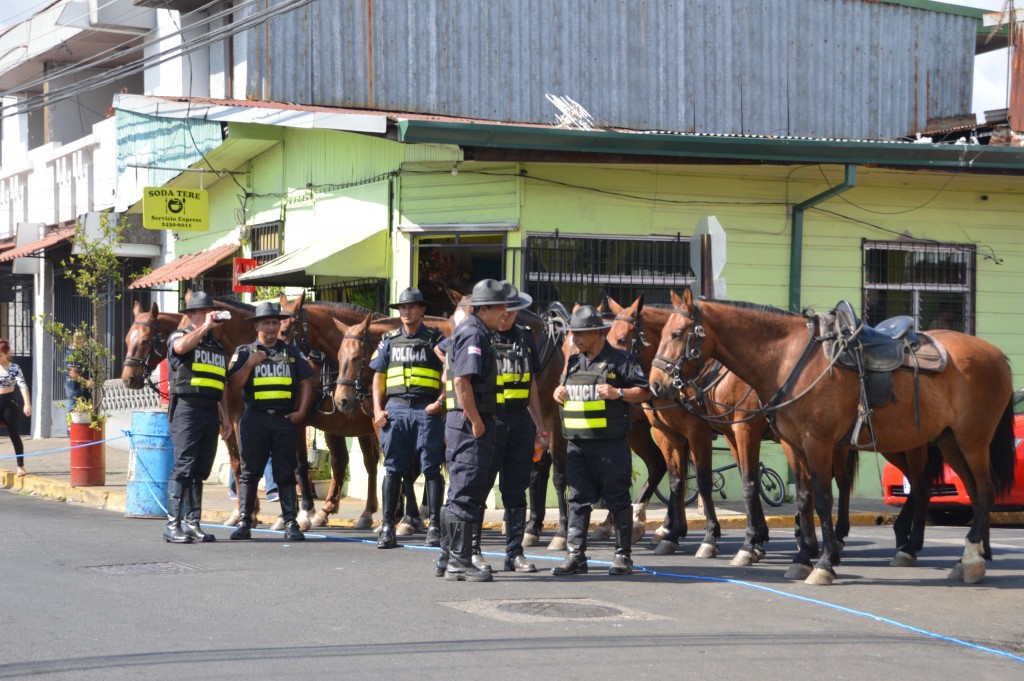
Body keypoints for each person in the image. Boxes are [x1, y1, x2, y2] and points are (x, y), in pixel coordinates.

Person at [552, 304, 652, 576]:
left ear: (598, 332)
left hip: (610, 445)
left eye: (581, 334)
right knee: (577, 500)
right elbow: (563, 387)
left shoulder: (623, 361)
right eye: (573, 333)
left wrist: (618, 392)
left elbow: (644, 392)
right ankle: (576, 555)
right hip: (577, 444)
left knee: (617, 499)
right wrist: (558, 392)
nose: (575, 339)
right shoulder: (573, 362)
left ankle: (622, 556)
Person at [434, 279, 507, 582]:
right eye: (501, 307)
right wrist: (477, 421)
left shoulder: (471, 330)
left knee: (460, 491)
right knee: (465, 491)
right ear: (485, 307)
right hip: (468, 424)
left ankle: (447, 557)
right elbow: (462, 381)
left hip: (461, 422)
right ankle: (459, 562)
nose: (505, 313)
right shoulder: (474, 332)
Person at [227, 301, 315, 541]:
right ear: (256, 325)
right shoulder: (244, 352)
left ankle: (290, 522)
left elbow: (308, 382)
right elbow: (234, 385)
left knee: (285, 472)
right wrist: (250, 363)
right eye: (266, 322)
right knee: (249, 472)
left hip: (284, 420)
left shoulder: (292, 352)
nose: (271, 327)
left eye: (275, 323)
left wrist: (301, 413)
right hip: (254, 419)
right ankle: (245, 521)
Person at [369, 286, 446, 550]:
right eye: (403, 307)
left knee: (431, 468)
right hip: (396, 409)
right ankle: (388, 526)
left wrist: (441, 400)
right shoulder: (389, 340)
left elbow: (452, 368)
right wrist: (378, 410)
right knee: (392, 469)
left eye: (412, 306)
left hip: (425, 410)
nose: (406, 311)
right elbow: (377, 375)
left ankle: (434, 525)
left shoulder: (435, 339)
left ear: (422, 310)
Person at [481, 282, 550, 573]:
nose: (507, 315)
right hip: (491, 421)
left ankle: (514, 552)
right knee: (479, 488)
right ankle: (473, 552)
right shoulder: (480, 336)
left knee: (516, 490)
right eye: (503, 309)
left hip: (519, 420)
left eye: (513, 310)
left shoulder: (525, 337)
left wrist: (539, 425)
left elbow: (530, 382)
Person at [163, 292, 230, 544]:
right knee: (183, 467)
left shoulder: (216, 346)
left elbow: (220, 383)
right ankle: (172, 525)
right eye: (203, 311)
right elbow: (180, 348)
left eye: (210, 311)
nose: (209, 315)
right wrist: (205, 326)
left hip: (209, 410)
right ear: (190, 315)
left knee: (200, 470)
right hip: (186, 409)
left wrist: (226, 419)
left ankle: (193, 523)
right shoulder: (180, 336)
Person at [0, 337, 32, 478]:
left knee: (14, 434)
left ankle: (20, 466)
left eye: (0, 356)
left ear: (7, 353)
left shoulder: (14, 368)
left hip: (9, 402)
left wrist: (27, 403)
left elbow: (23, 386)